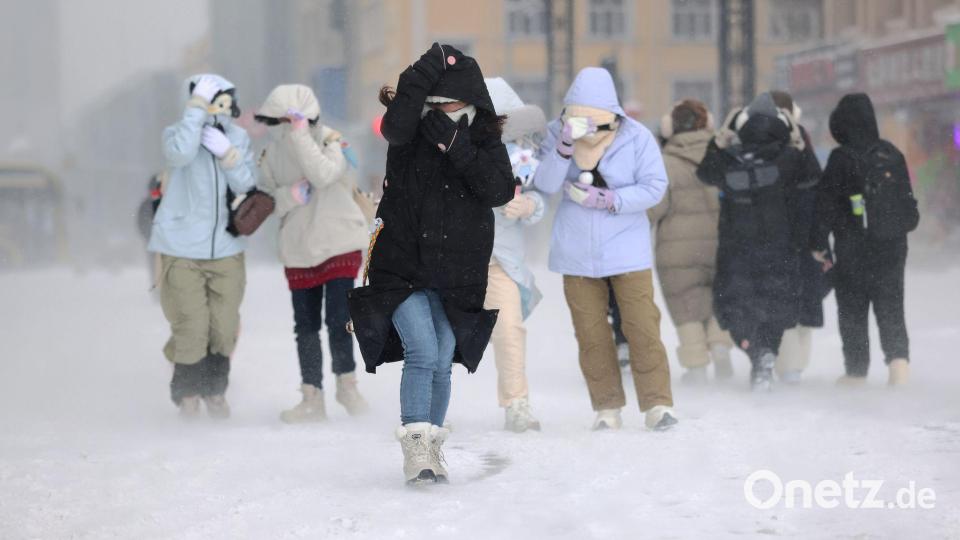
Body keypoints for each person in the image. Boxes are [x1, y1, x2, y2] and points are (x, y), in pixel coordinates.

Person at [347, 44, 514, 484]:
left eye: (447, 104)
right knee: (422, 349)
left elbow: (498, 191)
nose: (436, 112)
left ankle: (433, 446)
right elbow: (396, 123)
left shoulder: (483, 140)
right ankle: (416, 449)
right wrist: (430, 64)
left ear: (472, 104)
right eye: (430, 104)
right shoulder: (408, 136)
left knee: (442, 355)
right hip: (401, 263)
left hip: (455, 270)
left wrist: (458, 145)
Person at [534, 67, 677, 431]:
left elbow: (654, 186)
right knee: (591, 333)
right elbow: (546, 185)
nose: (589, 128)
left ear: (613, 114)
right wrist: (564, 147)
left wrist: (612, 199)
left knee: (642, 327)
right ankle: (606, 407)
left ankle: (658, 404)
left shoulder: (636, 137)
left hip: (628, 250)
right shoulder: (556, 134)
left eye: (596, 119)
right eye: (579, 117)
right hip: (576, 252)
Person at [255, 84, 370, 423]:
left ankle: (347, 387)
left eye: (291, 119)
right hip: (299, 247)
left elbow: (323, 175)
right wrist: (289, 196)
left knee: (338, 320)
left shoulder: (332, 140)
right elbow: (266, 200)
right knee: (304, 326)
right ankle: (312, 398)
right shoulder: (271, 153)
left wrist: (303, 136)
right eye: (281, 120)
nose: (285, 126)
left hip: (338, 241)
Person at [149, 74, 257, 418]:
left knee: (223, 327)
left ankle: (215, 388)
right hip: (180, 246)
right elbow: (179, 155)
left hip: (226, 246)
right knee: (192, 324)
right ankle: (188, 395)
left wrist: (228, 154)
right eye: (207, 99)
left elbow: (247, 182)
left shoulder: (237, 136)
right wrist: (194, 112)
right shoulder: (178, 132)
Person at [696, 92, 818, 391]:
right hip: (780, 247)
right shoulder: (789, 157)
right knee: (777, 308)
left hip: (737, 249)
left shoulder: (730, 157)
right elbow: (812, 181)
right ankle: (767, 353)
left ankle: (755, 351)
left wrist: (718, 141)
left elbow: (704, 173)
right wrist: (796, 139)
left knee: (735, 306)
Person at [810, 93, 918, 386]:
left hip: (853, 249)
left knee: (853, 311)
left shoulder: (841, 158)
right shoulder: (892, 154)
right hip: (891, 247)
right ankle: (899, 367)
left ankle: (856, 372)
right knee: (891, 306)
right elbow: (909, 207)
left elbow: (824, 206)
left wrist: (819, 243)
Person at [648, 99, 734, 384]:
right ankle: (720, 346)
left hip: (676, 250)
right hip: (721, 243)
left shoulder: (663, 164)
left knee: (685, 305)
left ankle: (696, 365)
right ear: (708, 124)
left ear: (669, 129)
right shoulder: (723, 157)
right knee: (719, 298)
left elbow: (654, 208)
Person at [483, 77, 548, 433]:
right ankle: (428, 409)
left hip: (501, 260)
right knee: (442, 337)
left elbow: (539, 195)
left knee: (509, 329)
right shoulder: (456, 149)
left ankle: (517, 402)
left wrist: (527, 205)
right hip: (453, 260)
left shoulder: (524, 153)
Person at [769, 90, 830, 384]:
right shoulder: (800, 140)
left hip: (772, 236)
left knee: (781, 302)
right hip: (802, 236)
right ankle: (793, 368)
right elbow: (814, 191)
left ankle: (782, 363)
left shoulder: (756, 142)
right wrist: (819, 242)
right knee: (800, 303)